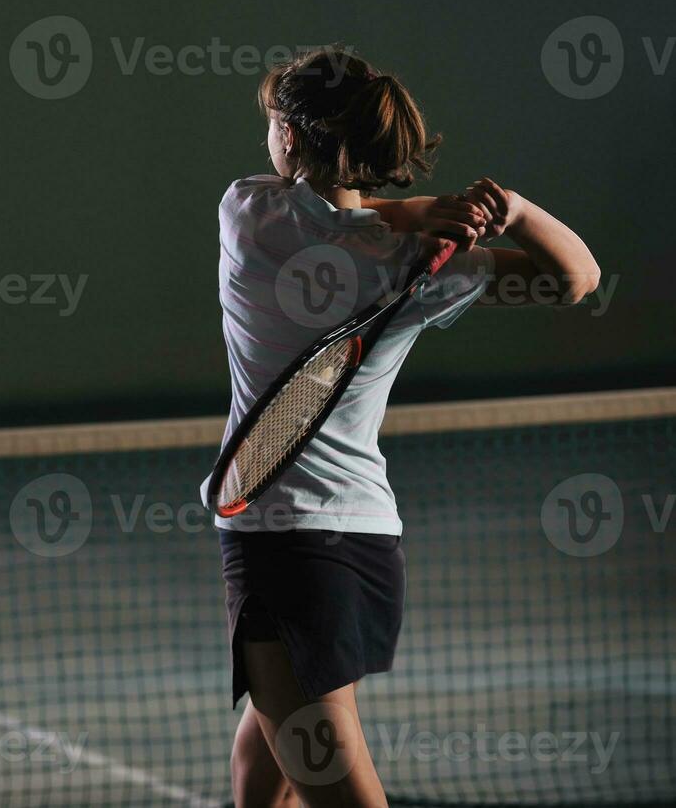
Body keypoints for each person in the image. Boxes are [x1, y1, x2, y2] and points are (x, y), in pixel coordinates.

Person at [206, 47, 600, 807]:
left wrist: (411, 215)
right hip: (363, 545)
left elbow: (323, 215)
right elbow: (575, 278)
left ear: (288, 134)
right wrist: (507, 210)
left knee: (332, 786)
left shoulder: (245, 216)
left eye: (270, 124)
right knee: (264, 775)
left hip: (282, 549)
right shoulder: (413, 264)